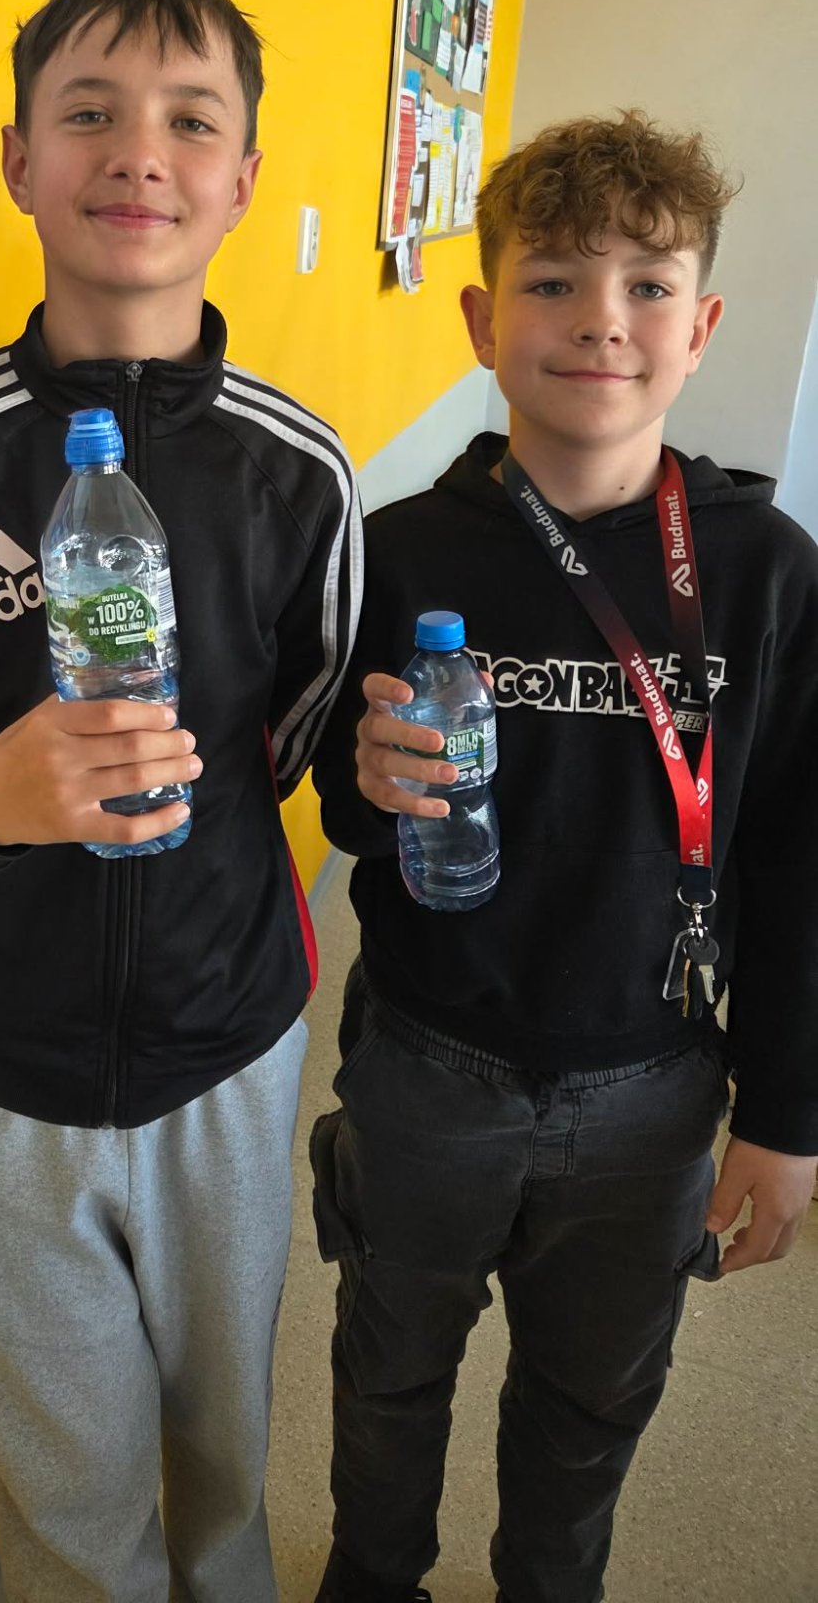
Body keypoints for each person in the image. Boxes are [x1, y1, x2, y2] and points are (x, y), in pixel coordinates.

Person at [0, 0, 361, 1602]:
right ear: (15, 160)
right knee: (69, 1508)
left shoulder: (299, 470)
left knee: (223, 1467)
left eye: (190, 121)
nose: (139, 154)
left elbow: (297, 743)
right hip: (3, 1076)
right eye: (89, 112)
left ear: (244, 179)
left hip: (231, 1051)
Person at [308, 111, 818, 1603]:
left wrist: (788, 1115)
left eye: (649, 285)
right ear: (482, 320)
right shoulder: (398, 550)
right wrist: (369, 781)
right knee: (388, 1370)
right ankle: (374, 1578)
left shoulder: (765, 574)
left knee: (592, 1403)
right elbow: (344, 805)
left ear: (701, 329)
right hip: (428, 1062)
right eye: (553, 282)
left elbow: (800, 861)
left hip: (654, 1083)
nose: (602, 320)